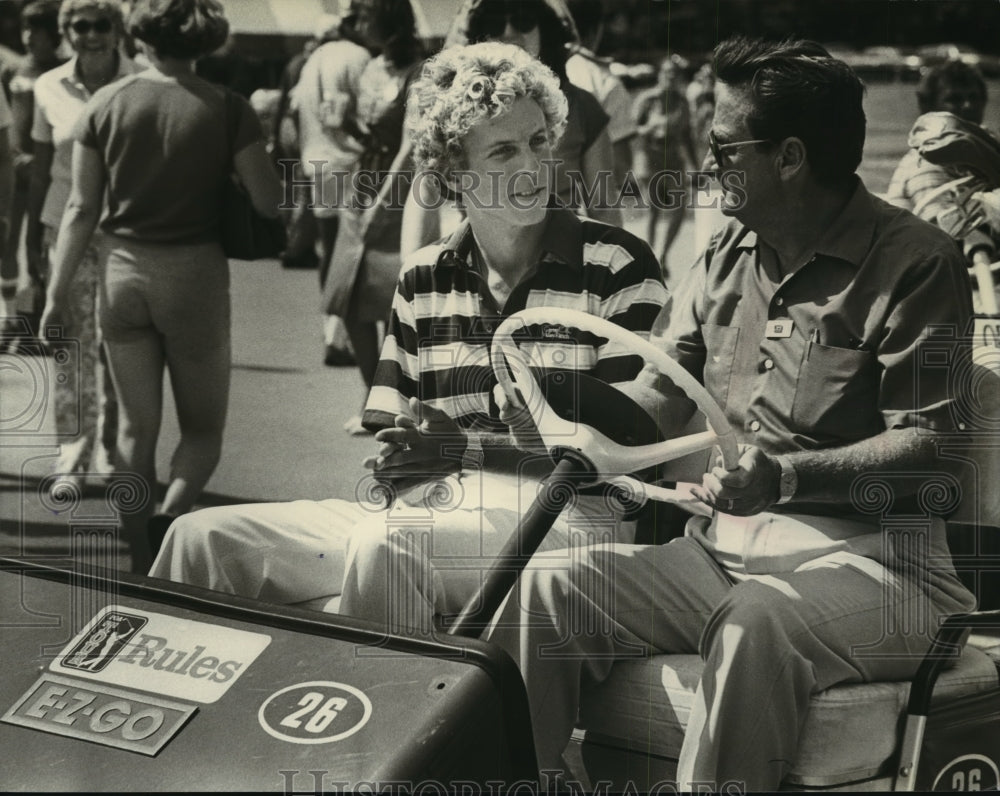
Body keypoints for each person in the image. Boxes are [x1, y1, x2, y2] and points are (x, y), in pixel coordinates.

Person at [481, 37, 978, 791]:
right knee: (552, 589)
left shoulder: (918, 263)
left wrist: (781, 478)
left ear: (789, 157)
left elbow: (934, 450)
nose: (708, 165)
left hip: (888, 569)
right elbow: (657, 396)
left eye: (724, 148)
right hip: (725, 552)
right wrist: (553, 405)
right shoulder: (724, 254)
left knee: (756, 621)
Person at [149, 42, 669, 620]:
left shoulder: (618, 264)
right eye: (502, 151)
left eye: (539, 141)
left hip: (574, 519)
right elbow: (407, 442)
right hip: (438, 509)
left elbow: (621, 454)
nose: (531, 165)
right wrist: (404, 461)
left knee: (387, 546)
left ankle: (369, 708)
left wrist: (459, 451)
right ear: (453, 171)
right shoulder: (424, 277)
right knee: (199, 539)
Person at [39, 0, 282, 573]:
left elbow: (79, 208)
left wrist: (53, 296)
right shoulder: (228, 109)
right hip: (194, 275)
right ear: (207, 40)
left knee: (133, 427)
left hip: (121, 272)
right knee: (201, 429)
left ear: (139, 37)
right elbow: (270, 201)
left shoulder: (103, 104)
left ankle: (140, 548)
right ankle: (172, 517)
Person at [399, 0, 622, 259]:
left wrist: (610, 276)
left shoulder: (583, 108)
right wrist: (414, 275)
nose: (509, 32)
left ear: (544, 28)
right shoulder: (454, 113)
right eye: (492, 23)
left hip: (562, 263)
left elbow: (604, 208)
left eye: (523, 19)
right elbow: (424, 192)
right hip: (481, 262)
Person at [28, 0, 140, 487]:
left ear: (117, 32)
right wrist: (32, 230)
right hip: (65, 226)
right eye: (79, 26)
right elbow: (39, 163)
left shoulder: (139, 81)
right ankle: (72, 451)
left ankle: (110, 449)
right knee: (72, 343)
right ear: (65, 31)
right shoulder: (47, 86)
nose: (90, 35)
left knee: (116, 341)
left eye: (100, 25)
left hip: (122, 228)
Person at [319, 0, 424, 436]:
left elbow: (409, 146)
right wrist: (338, 127)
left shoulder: (419, 71)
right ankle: (371, 396)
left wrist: (385, 200)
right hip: (361, 183)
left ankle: (395, 405)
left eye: (364, 15)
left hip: (400, 190)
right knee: (346, 300)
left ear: (387, 17)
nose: (357, 24)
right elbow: (364, 131)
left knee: (393, 306)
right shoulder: (370, 67)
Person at [886, 60, 998, 311]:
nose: (968, 105)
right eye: (955, 100)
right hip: (928, 285)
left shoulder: (985, 152)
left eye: (973, 98)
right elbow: (948, 228)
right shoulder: (924, 159)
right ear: (931, 107)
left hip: (977, 273)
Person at [291, 11, 370, 367]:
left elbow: (294, 111)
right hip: (349, 163)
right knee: (350, 252)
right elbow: (369, 111)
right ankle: (340, 337)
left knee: (328, 247)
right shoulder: (359, 58)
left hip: (317, 159)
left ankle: (331, 331)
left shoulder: (311, 62)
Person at [0, 0, 63, 344]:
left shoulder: (62, 71)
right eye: (25, 30)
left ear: (53, 36)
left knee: (37, 247)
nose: (28, 38)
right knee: (8, 244)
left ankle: (36, 322)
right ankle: (10, 319)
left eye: (36, 32)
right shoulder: (12, 71)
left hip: (47, 175)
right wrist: (12, 157)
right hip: (14, 170)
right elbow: (5, 123)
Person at [632, 54, 698, 272]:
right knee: (654, 208)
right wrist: (649, 127)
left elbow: (687, 136)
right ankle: (649, 257)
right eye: (667, 73)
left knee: (679, 208)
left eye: (675, 74)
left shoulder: (682, 102)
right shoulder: (647, 99)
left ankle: (663, 254)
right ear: (660, 75)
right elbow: (630, 132)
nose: (671, 78)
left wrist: (696, 167)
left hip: (673, 159)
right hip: (650, 156)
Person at [564, 0, 635, 189]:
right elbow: (620, 168)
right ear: (598, 28)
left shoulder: (532, 74)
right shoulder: (604, 80)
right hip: (584, 206)